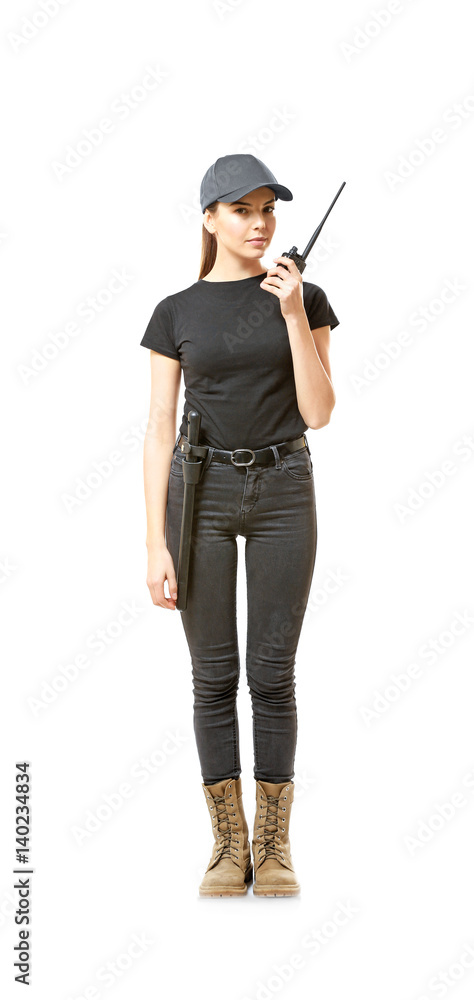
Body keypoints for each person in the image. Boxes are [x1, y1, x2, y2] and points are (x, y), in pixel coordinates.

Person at [140, 154, 340, 897]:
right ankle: (228, 846)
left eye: (269, 210)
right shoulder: (176, 311)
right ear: (209, 218)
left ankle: (274, 846)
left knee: (273, 675)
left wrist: (291, 315)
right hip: (201, 493)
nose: (260, 224)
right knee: (213, 677)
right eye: (242, 209)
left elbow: (319, 411)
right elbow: (158, 426)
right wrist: (155, 543)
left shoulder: (306, 296)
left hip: (286, 486)